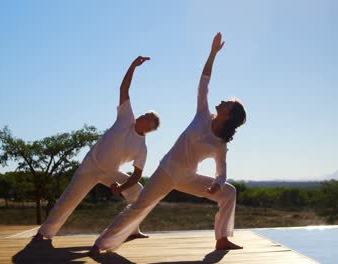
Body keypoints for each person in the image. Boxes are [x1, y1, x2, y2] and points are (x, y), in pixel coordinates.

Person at [89, 33, 246, 256]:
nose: (222, 101)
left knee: (228, 192)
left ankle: (222, 239)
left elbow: (222, 173)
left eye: (227, 103)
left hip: (188, 177)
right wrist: (213, 54)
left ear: (229, 115)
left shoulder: (219, 144)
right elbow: (204, 82)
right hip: (166, 171)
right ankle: (101, 243)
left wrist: (217, 186)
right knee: (139, 207)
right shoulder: (203, 114)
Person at [32, 56, 160, 242]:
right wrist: (133, 66)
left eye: (147, 116)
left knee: (137, 191)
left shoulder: (141, 148)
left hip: (110, 172)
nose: (142, 114)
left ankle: (132, 229)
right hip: (90, 166)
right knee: (68, 200)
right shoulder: (126, 117)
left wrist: (121, 187)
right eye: (145, 113)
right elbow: (124, 89)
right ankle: (44, 233)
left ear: (149, 126)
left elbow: (136, 175)